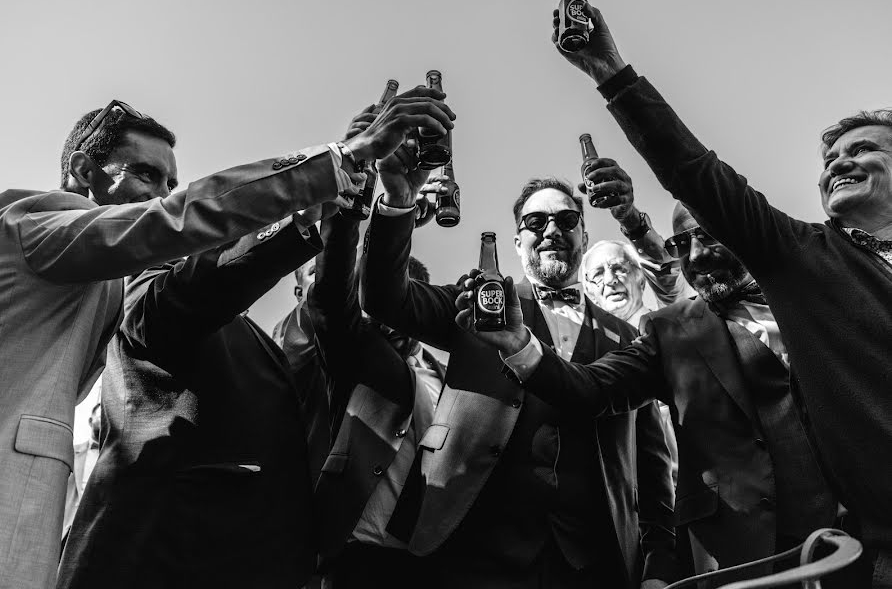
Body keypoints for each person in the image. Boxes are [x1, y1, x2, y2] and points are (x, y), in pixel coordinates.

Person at [0, 93, 403, 588]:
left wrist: (345, 199)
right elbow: (175, 234)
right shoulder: (36, 223)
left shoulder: (112, 291)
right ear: (84, 171)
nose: (163, 193)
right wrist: (334, 163)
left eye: (171, 183)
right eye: (146, 175)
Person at [550, 1, 892, 585]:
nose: (839, 162)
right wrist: (609, 69)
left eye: (862, 150)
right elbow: (697, 175)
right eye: (831, 156)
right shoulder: (808, 257)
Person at [457, 200, 844, 585]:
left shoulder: (819, 294)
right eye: (680, 245)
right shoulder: (670, 331)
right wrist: (520, 345)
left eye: (707, 236)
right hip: (751, 559)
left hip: (864, 531)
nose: (695, 254)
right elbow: (590, 389)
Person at [361, 167, 677, 588]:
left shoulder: (628, 337)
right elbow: (384, 298)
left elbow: (651, 463)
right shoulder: (476, 303)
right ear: (516, 241)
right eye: (535, 222)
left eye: (566, 220)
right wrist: (397, 203)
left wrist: (658, 567)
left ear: (583, 234)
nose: (551, 230)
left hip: (595, 562)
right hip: (473, 552)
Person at [302, 209, 443, 588]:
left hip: (434, 561)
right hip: (358, 556)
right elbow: (331, 294)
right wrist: (348, 210)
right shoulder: (354, 349)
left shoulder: (448, 376)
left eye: (399, 306)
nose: (387, 320)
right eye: (375, 306)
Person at [580, 161, 692, 329]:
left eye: (619, 268)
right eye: (597, 275)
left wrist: (630, 219)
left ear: (641, 279)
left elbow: (665, 275)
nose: (610, 280)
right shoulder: (590, 349)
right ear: (590, 292)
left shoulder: (670, 323)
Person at [62, 403, 102, 543]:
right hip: (66, 529)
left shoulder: (118, 460)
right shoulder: (70, 452)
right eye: (102, 416)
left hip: (95, 533)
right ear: (90, 421)